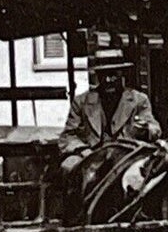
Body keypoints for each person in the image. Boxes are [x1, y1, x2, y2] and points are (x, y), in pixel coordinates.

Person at [57, 49, 161, 177]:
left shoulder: (138, 100)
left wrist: (145, 128)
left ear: (121, 74)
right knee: (69, 167)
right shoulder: (81, 102)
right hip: (90, 156)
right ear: (98, 75)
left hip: (127, 156)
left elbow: (155, 129)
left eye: (113, 75)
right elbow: (67, 136)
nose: (108, 80)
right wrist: (84, 151)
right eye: (103, 75)